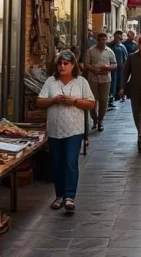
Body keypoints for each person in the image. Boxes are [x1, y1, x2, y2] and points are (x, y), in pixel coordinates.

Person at [35, 50, 96, 213]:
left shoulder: (81, 82)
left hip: (74, 129)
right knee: (57, 163)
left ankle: (69, 196)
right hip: (55, 129)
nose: (62, 66)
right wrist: (54, 100)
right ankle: (59, 195)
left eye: (66, 64)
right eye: (60, 64)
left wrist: (75, 101)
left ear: (72, 65)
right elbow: (39, 102)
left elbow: (91, 103)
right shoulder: (51, 81)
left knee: (70, 161)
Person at [83, 33, 117, 131]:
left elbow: (115, 64)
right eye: (101, 39)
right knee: (92, 100)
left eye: (104, 39)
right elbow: (86, 64)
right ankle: (94, 119)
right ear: (97, 40)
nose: (102, 41)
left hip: (106, 79)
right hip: (93, 78)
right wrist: (94, 70)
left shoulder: (110, 52)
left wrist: (108, 67)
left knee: (104, 100)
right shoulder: (91, 50)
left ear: (106, 40)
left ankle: (100, 121)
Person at [109, 30, 129, 108]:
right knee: (112, 82)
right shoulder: (109, 45)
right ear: (114, 36)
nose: (117, 38)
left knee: (119, 82)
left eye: (119, 36)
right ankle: (111, 98)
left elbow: (125, 57)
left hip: (120, 68)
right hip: (111, 67)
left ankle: (118, 96)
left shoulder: (122, 46)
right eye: (116, 36)